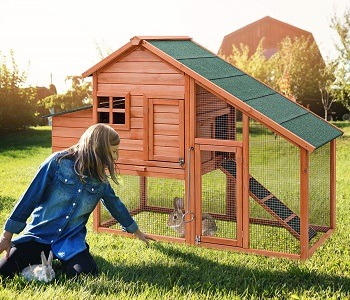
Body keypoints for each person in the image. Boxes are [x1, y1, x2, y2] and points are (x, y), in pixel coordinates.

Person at [0, 124, 154, 278]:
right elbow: (29, 198)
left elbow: (115, 205)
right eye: (113, 152)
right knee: (4, 270)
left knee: (86, 273)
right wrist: (6, 237)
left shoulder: (101, 181)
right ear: (98, 149)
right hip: (38, 236)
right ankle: (40, 260)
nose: (115, 157)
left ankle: (56, 261)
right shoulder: (57, 163)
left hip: (70, 241)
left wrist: (136, 231)